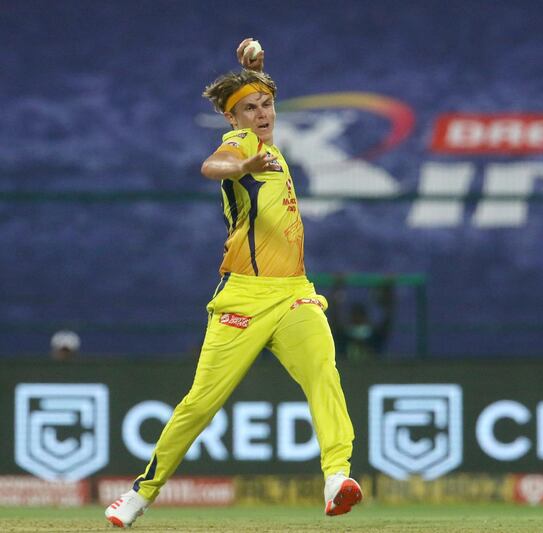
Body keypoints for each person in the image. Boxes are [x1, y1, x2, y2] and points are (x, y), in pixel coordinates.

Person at [105, 38, 361, 528]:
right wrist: (242, 164)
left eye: (267, 105)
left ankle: (336, 479)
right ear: (232, 119)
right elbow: (212, 166)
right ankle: (140, 494)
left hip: (294, 293)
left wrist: (256, 74)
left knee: (323, 372)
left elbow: (251, 98)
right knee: (201, 403)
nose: (262, 114)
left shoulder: (270, 146)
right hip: (243, 296)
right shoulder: (243, 147)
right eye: (250, 109)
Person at [329, 277, 395, 362]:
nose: (357, 318)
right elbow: (334, 318)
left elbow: (387, 318)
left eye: (359, 316)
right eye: (355, 316)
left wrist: (388, 289)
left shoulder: (375, 336)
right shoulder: (344, 336)